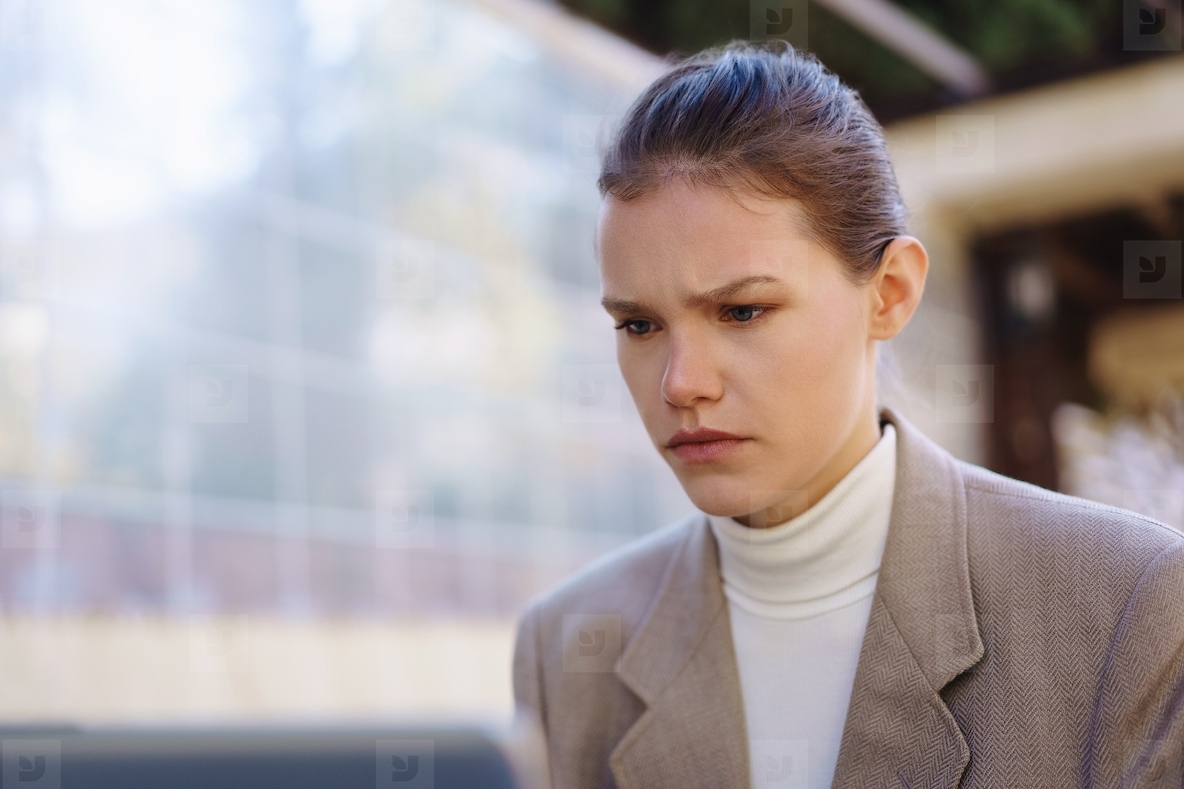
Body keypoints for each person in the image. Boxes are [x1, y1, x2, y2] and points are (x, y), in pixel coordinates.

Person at [511, 40, 1184, 789]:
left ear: (890, 292)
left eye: (742, 310)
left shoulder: (1128, 608)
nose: (681, 383)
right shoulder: (565, 651)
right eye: (638, 325)